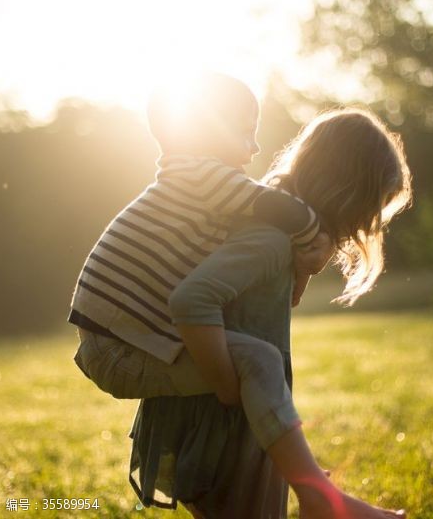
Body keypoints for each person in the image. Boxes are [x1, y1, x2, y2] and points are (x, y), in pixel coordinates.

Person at [85, 107, 414, 518]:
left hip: (241, 417)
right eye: (373, 207)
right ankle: (320, 498)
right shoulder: (270, 240)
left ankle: (318, 494)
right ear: (346, 192)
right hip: (224, 424)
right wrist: (228, 385)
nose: (367, 224)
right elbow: (193, 302)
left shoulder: (277, 231)